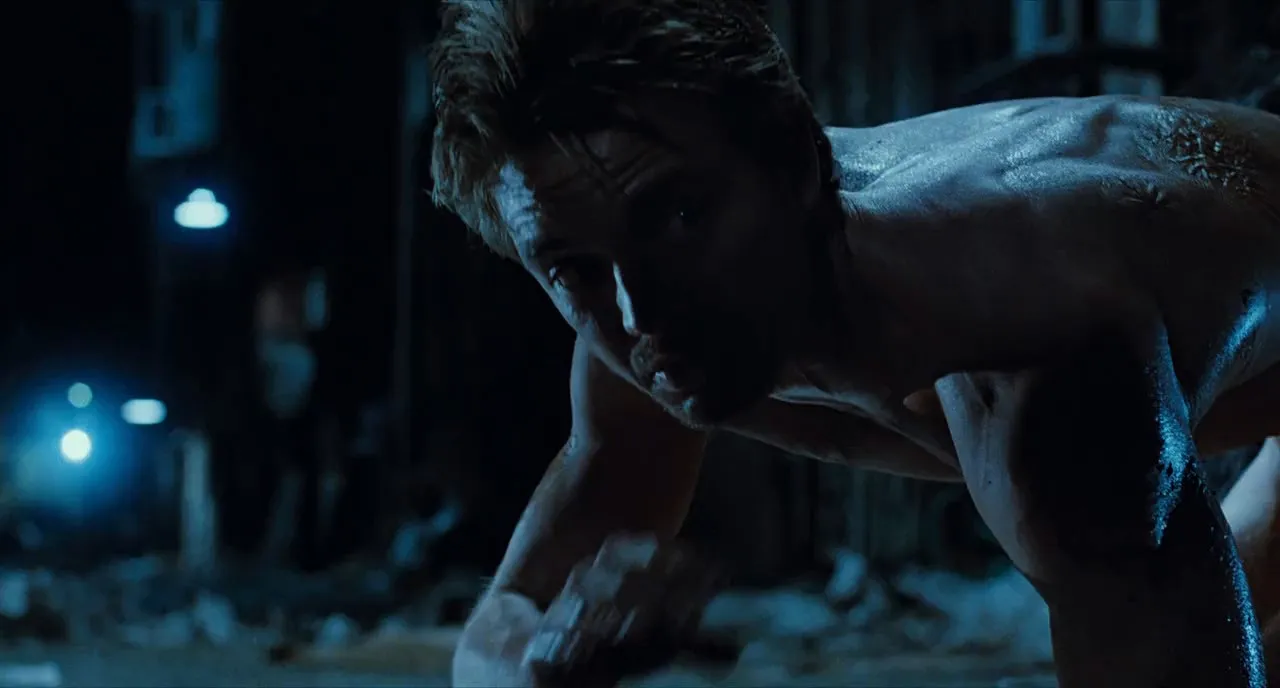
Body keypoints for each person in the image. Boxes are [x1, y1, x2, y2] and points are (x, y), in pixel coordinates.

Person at [429, 1, 1280, 686]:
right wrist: (544, 661)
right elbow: (499, 630)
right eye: (573, 266)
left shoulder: (1037, 354)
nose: (639, 311)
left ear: (797, 160)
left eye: (682, 216)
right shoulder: (640, 306)